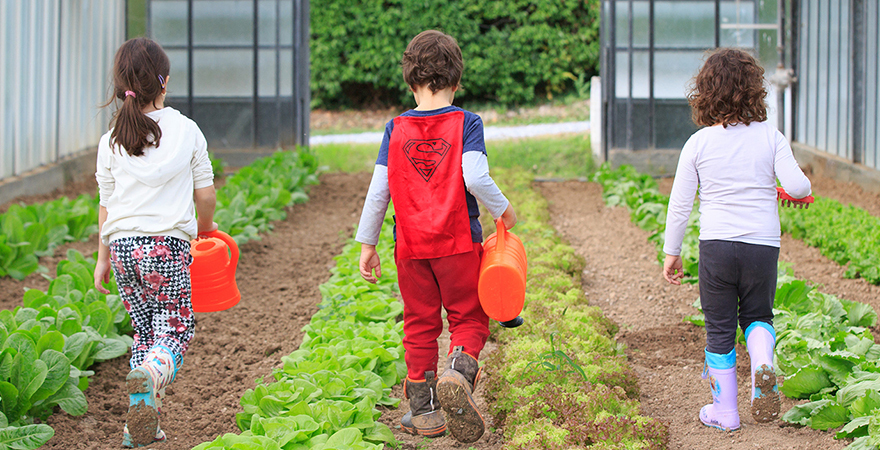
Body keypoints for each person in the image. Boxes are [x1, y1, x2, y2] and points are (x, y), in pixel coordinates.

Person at [355, 30, 516, 444]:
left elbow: (378, 191)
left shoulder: (395, 128)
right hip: (458, 243)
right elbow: (475, 176)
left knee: (419, 322)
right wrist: (503, 209)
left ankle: (425, 411)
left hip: (410, 248)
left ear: (410, 81)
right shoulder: (467, 122)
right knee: (468, 316)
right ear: (456, 81)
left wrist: (368, 244)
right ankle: (458, 374)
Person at [662, 48, 811, 431]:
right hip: (762, 245)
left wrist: (671, 252)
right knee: (758, 315)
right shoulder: (771, 137)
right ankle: (762, 363)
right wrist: (785, 188)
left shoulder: (698, 143)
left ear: (705, 92)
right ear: (755, 90)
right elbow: (798, 187)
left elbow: (680, 205)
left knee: (720, 327)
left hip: (717, 247)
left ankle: (725, 413)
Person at [93, 37, 217, 448]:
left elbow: (106, 204)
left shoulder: (111, 139)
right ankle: (148, 377)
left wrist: (102, 259)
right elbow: (205, 194)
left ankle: (140, 428)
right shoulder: (186, 129)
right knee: (176, 331)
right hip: (164, 248)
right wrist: (206, 228)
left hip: (122, 250)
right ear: (163, 82)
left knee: (146, 335)